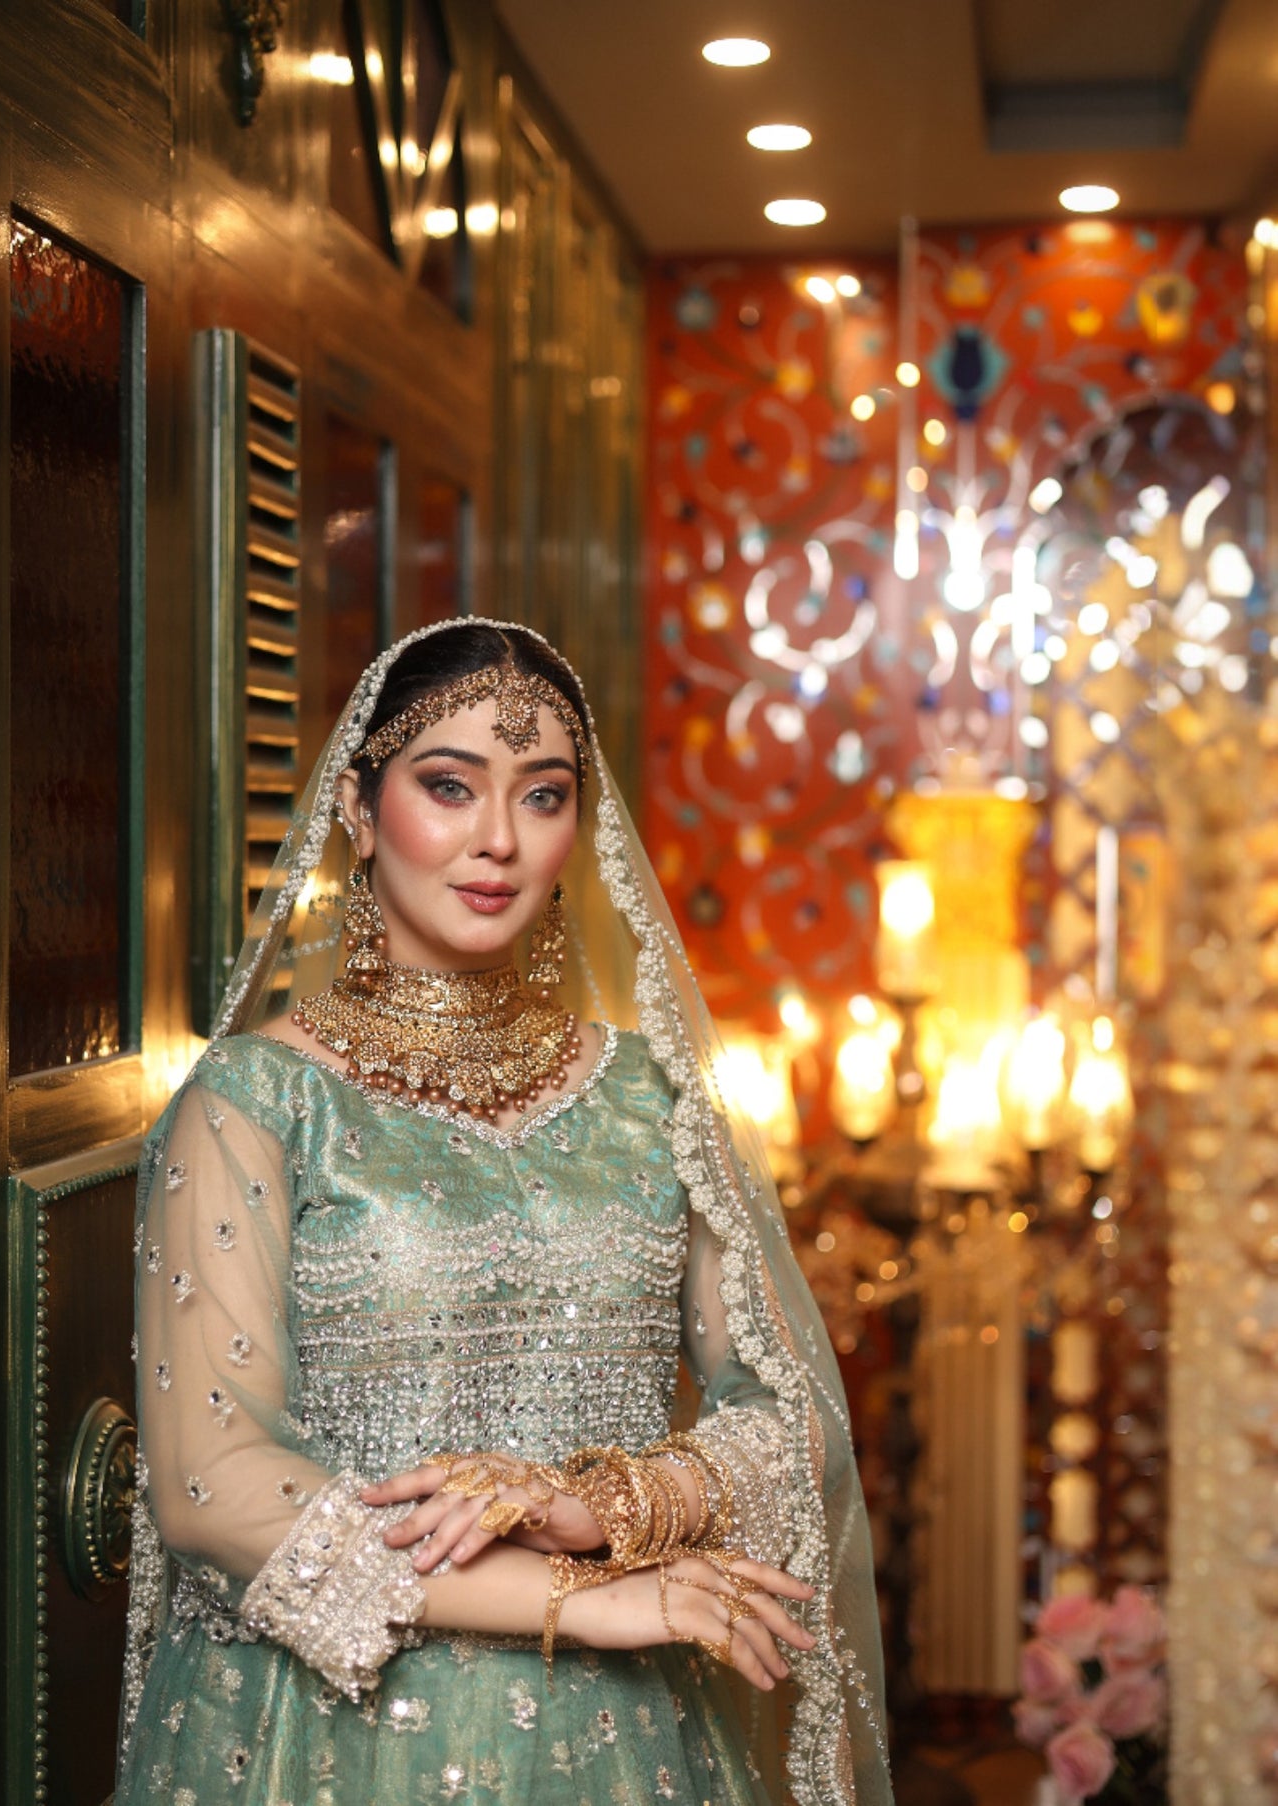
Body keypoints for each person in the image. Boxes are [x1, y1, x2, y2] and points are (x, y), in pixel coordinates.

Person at [115, 621, 892, 1805]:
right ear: (360, 812)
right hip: (324, 1737)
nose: (496, 842)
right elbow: (209, 1486)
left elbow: (791, 1423)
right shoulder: (254, 1105)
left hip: (628, 1731)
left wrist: (602, 1507)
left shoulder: (655, 1100)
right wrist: (584, 1602)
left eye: (541, 796)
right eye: (447, 787)